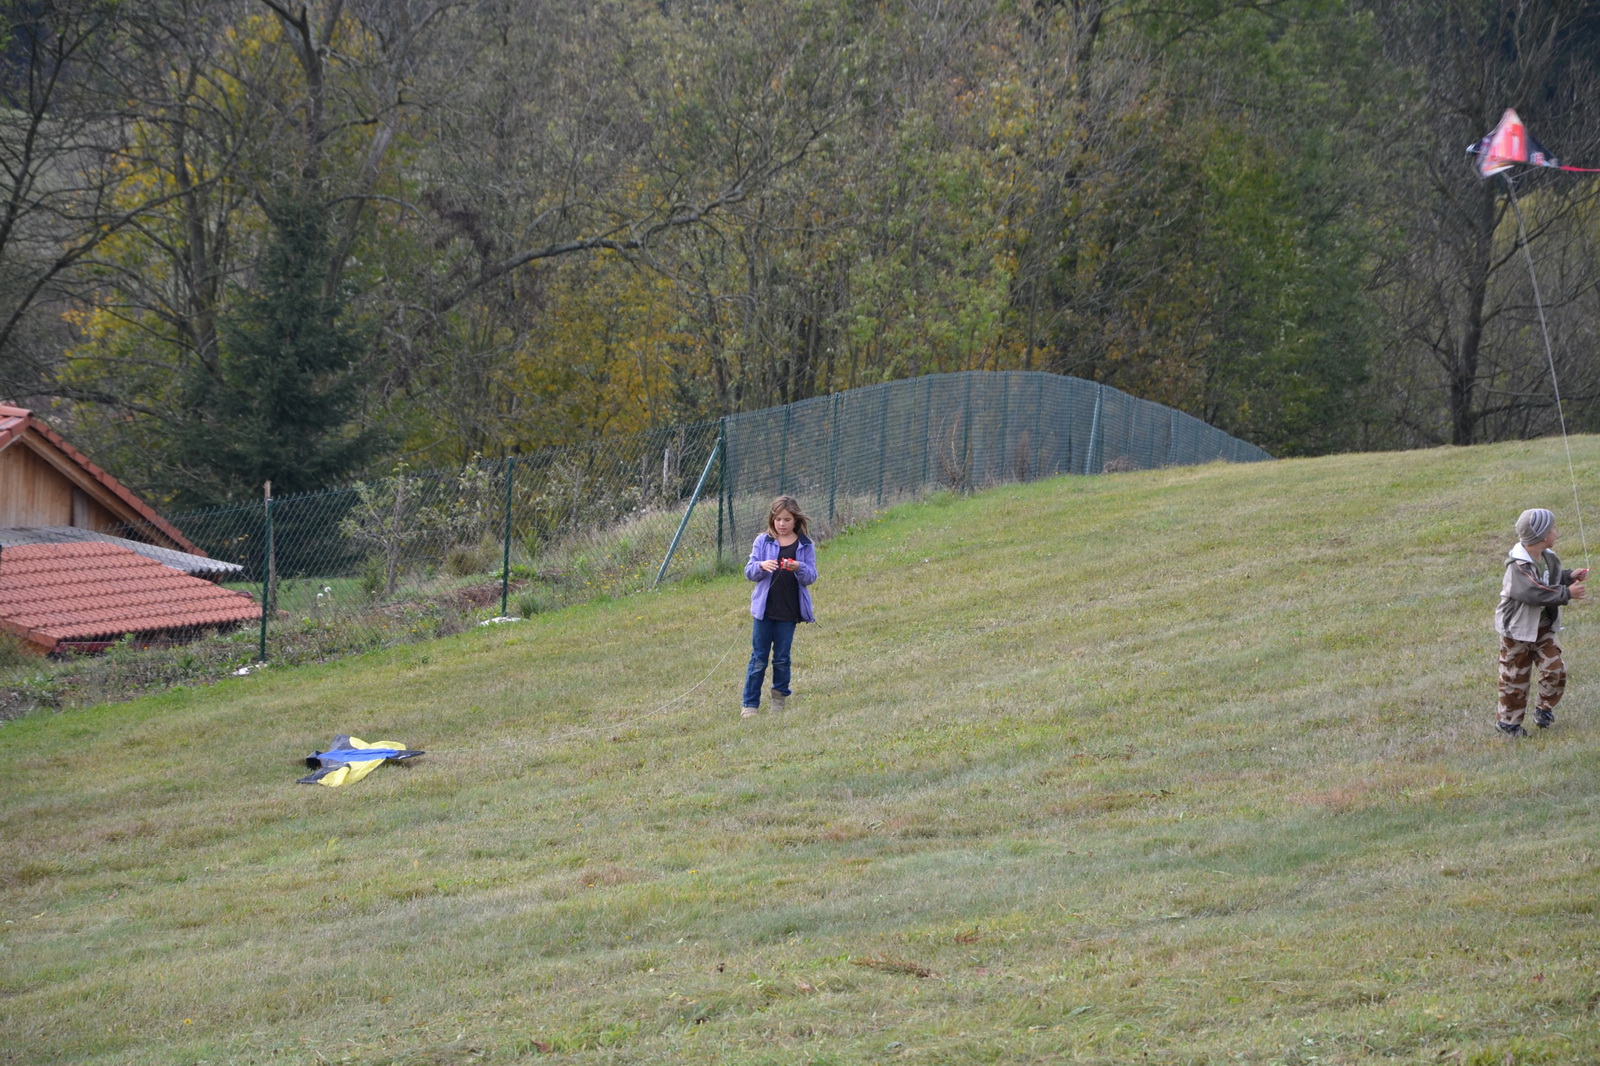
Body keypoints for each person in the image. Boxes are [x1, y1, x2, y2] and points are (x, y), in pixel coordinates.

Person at [1495, 507, 1588, 737]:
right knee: (1515, 677)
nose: (1556, 532)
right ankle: (1508, 724)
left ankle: (1544, 709)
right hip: (1517, 630)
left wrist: (1568, 577)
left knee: (1555, 669)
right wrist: (1566, 593)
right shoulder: (1518, 566)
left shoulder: (1548, 558)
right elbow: (1534, 592)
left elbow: (1548, 580)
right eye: (1553, 529)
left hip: (1543, 626)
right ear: (1543, 535)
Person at [742, 495, 817, 718]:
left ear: (796, 520)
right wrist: (761, 566)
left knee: (782, 659)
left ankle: (778, 700)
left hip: (788, 611)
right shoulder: (762, 541)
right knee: (758, 659)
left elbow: (811, 576)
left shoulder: (805, 545)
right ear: (771, 520)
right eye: (777, 519)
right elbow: (749, 571)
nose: (781, 524)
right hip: (764, 612)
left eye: (787, 519)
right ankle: (750, 704)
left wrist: (799, 567)